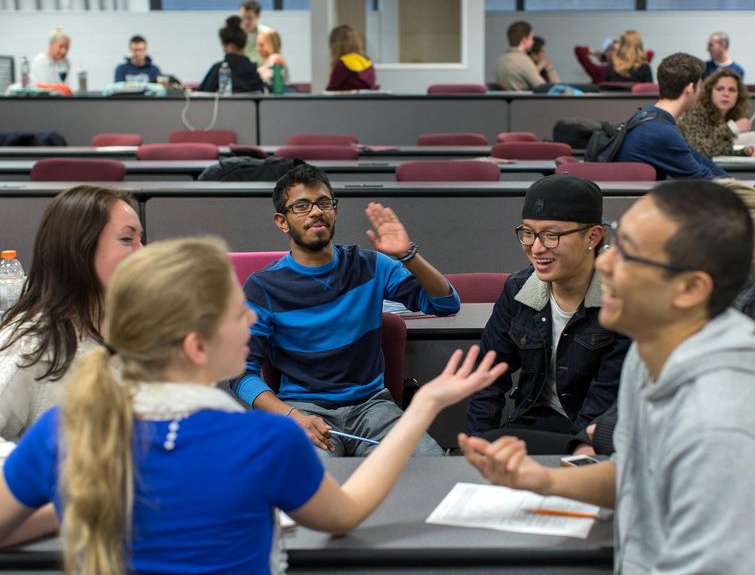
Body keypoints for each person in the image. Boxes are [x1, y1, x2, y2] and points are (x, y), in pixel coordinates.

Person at [0, 237, 506, 574]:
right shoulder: (267, 440)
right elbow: (345, 514)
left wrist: (80, 499)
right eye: (234, 309)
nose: (249, 316)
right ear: (197, 347)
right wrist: (423, 407)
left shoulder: (66, 432)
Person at [460, 180, 755, 575]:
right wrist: (544, 481)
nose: (606, 263)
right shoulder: (652, 356)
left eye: (632, 254)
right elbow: (635, 473)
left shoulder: (726, 428)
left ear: (691, 289)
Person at [576, 180, 755, 456]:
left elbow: (754, 451)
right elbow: (628, 409)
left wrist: (607, 437)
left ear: (752, 245)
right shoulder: (686, 306)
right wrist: (591, 440)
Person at [231, 164, 461, 457]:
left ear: (335, 211)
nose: (316, 212)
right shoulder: (263, 287)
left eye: (324, 202)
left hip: (373, 408)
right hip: (304, 411)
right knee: (307, 487)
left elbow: (445, 304)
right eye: (302, 206)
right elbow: (241, 374)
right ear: (282, 221)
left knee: (432, 467)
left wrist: (408, 256)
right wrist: (289, 415)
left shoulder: (369, 265)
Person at [466, 175, 630, 451]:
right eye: (528, 233)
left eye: (552, 235)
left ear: (593, 236)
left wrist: (578, 456)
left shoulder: (621, 299)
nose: (537, 247)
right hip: (534, 423)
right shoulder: (518, 290)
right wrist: (477, 448)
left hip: (598, 435)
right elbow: (487, 379)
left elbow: (604, 402)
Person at [0, 186, 143, 441]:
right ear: (80, 249)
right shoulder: (31, 346)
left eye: (140, 239)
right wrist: (34, 468)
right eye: (126, 239)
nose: (141, 252)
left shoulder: (139, 329)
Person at [616, 52, 729, 179]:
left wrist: (742, 186)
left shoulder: (650, 116)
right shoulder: (659, 130)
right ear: (690, 88)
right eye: (700, 87)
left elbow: (700, 160)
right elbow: (703, 179)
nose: (700, 93)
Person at [678, 68, 755, 158]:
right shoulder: (695, 113)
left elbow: (719, 152)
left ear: (739, 95)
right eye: (720, 89)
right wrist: (732, 128)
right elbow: (700, 151)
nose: (726, 94)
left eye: (732, 90)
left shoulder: (726, 117)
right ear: (710, 92)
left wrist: (746, 151)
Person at [199, 15, 264, 93]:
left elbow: (201, 96)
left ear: (229, 46)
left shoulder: (220, 70)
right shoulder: (253, 71)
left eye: (223, 45)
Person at [494, 21, 545, 91]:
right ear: (524, 40)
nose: (533, 42)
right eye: (531, 38)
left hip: (507, 101)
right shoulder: (524, 61)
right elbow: (541, 87)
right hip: (524, 101)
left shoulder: (500, 60)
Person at [326, 24, 377, 92]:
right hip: (367, 102)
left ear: (336, 45)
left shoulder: (342, 64)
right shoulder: (367, 62)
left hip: (346, 102)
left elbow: (331, 91)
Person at [240, 0, 273, 65]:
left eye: (249, 18)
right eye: (243, 18)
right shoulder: (236, 34)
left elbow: (274, 58)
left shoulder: (268, 33)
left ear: (258, 15)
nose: (246, 22)